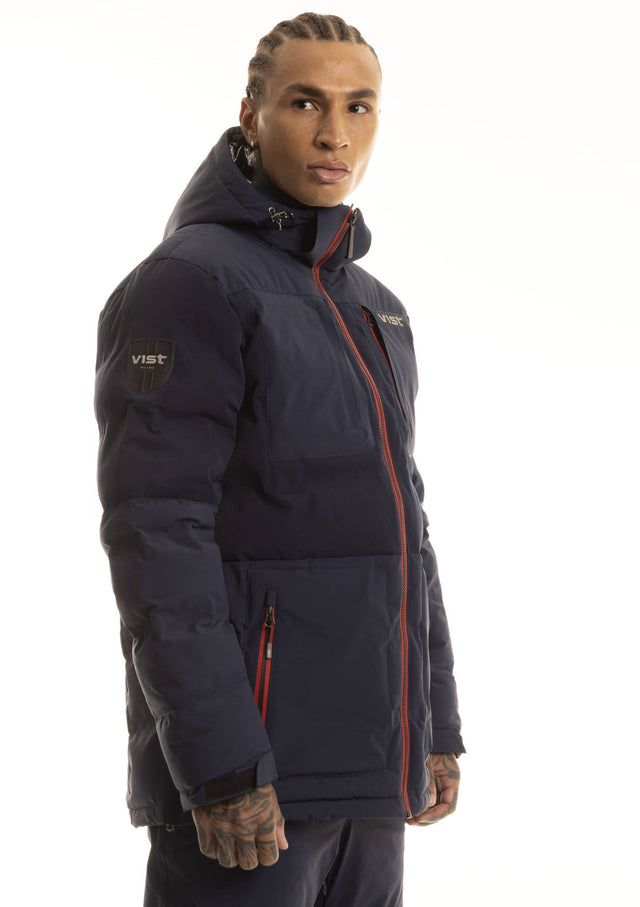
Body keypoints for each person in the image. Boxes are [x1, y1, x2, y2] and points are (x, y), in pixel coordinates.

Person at [95, 12, 464, 907]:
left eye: (358, 106)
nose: (335, 133)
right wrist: (220, 760)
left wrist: (433, 722)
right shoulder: (190, 282)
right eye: (305, 103)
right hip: (249, 781)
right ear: (251, 115)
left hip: (370, 769)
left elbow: (405, 531)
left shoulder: (374, 304)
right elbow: (156, 533)